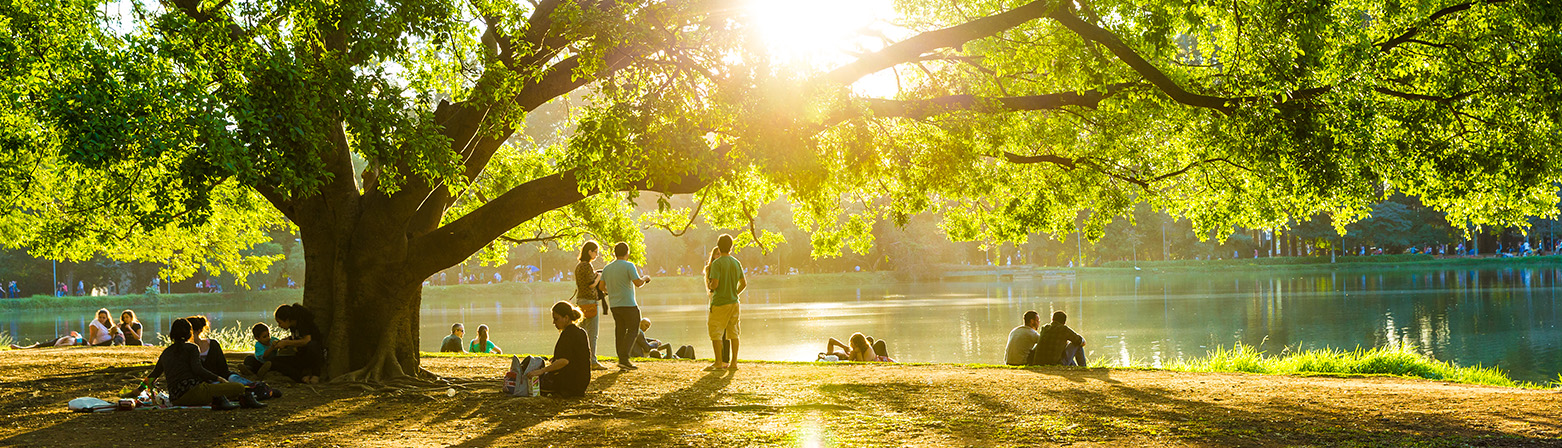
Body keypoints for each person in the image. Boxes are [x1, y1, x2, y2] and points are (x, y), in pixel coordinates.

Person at [142, 318, 264, 410]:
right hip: (196, 392)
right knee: (239, 387)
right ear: (189, 333)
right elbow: (198, 369)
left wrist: (138, 390)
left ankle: (222, 400)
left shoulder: (166, 352)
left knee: (219, 389)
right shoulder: (191, 348)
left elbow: (154, 374)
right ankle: (235, 399)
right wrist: (219, 378)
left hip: (176, 398)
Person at [525, 301, 591, 398]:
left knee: (535, 379)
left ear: (566, 318)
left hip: (570, 383)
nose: (554, 322)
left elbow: (564, 361)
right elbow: (575, 356)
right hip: (582, 381)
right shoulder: (580, 331)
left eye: (556, 319)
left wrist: (542, 371)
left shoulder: (568, 334)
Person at [602, 241, 650, 370]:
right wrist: (645, 278)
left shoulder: (607, 268)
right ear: (627, 253)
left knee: (620, 330)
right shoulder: (629, 265)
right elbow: (638, 283)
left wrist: (611, 291)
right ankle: (624, 359)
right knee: (634, 330)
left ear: (614, 253)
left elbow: (601, 287)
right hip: (628, 304)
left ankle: (621, 359)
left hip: (614, 305)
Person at [704, 234, 746, 370]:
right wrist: (734, 293)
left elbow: (715, 284)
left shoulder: (717, 263)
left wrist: (710, 285)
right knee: (734, 332)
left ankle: (718, 362)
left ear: (719, 246)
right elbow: (744, 283)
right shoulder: (736, 262)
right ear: (731, 247)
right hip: (734, 302)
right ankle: (734, 363)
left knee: (715, 332)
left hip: (720, 302)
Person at [573, 241, 609, 370]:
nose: (597, 254)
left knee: (581, 333)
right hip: (589, 302)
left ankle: (581, 359)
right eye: (595, 252)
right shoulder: (586, 266)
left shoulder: (579, 266)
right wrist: (599, 276)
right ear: (590, 252)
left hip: (581, 301)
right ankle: (592, 361)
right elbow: (591, 284)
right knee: (592, 334)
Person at [270, 303, 324, 384]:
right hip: (300, 357)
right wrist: (281, 342)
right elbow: (295, 337)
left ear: (287, 320)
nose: (279, 325)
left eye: (280, 322)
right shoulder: (292, 327)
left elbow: (306, 340)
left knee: (312, 345)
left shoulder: (303, 323)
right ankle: (301, 377)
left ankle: (315, 374)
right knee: (274, 361)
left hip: (312, 356)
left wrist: (286, 343)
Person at [825, 333, 893, 362]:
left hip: (869, 356)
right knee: (878, 342)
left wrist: (844, 347)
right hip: (870, 357)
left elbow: (831, 340)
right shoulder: (835, 357)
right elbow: (862, 363)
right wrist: (858, 352)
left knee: (870, 339)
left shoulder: (830, 355)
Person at [9, 331, 82, 349]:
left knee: (39, 345)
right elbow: (79, 336)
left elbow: (57, 345)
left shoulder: (71, 343)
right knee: (40, 344)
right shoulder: (78, 339)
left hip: (56, 341)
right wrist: (76, 334)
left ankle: (21, 348)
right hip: (59, 339)